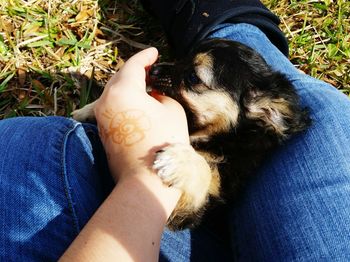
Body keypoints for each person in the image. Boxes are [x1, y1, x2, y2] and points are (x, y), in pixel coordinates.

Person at [1, 0, 350, 261]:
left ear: (267, 112)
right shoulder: (262, 111)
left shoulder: (261, 113)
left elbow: (201, 186)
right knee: (324, 108)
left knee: (31, 148)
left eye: (193, 78)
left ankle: (223, 25)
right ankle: (229, 25)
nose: (169, 74)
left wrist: (148, 169)